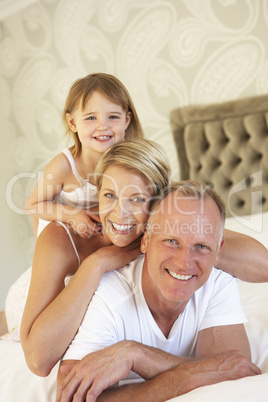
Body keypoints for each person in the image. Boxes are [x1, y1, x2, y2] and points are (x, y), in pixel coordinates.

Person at [56, 181, 261, 402]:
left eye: (201, 246)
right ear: (145, 240)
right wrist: (192, 375)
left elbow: (237, 377)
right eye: (171, 241)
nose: (184, 263)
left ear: (218, 251)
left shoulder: (218, 282)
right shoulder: (107, 292)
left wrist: (136, 355)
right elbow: (72, 397)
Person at [20, 139, 171, 376]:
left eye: (138, 199)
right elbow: (38, 362)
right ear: (98, 194)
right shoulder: (60, 238)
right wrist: (98, 262)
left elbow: (251, 259)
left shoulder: (166, 228)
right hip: (40, 287)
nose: (120, 213)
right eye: (110, 195)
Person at [24, 72, 144, 239]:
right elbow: (33, 205)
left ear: (126, 120)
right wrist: (72, 214)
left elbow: (161, 187)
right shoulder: (64, 165)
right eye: (91, 118)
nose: (103, 126)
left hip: (108, 240)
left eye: (113, 117)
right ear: (73, 123)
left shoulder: (134, 161)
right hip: (68, 243)